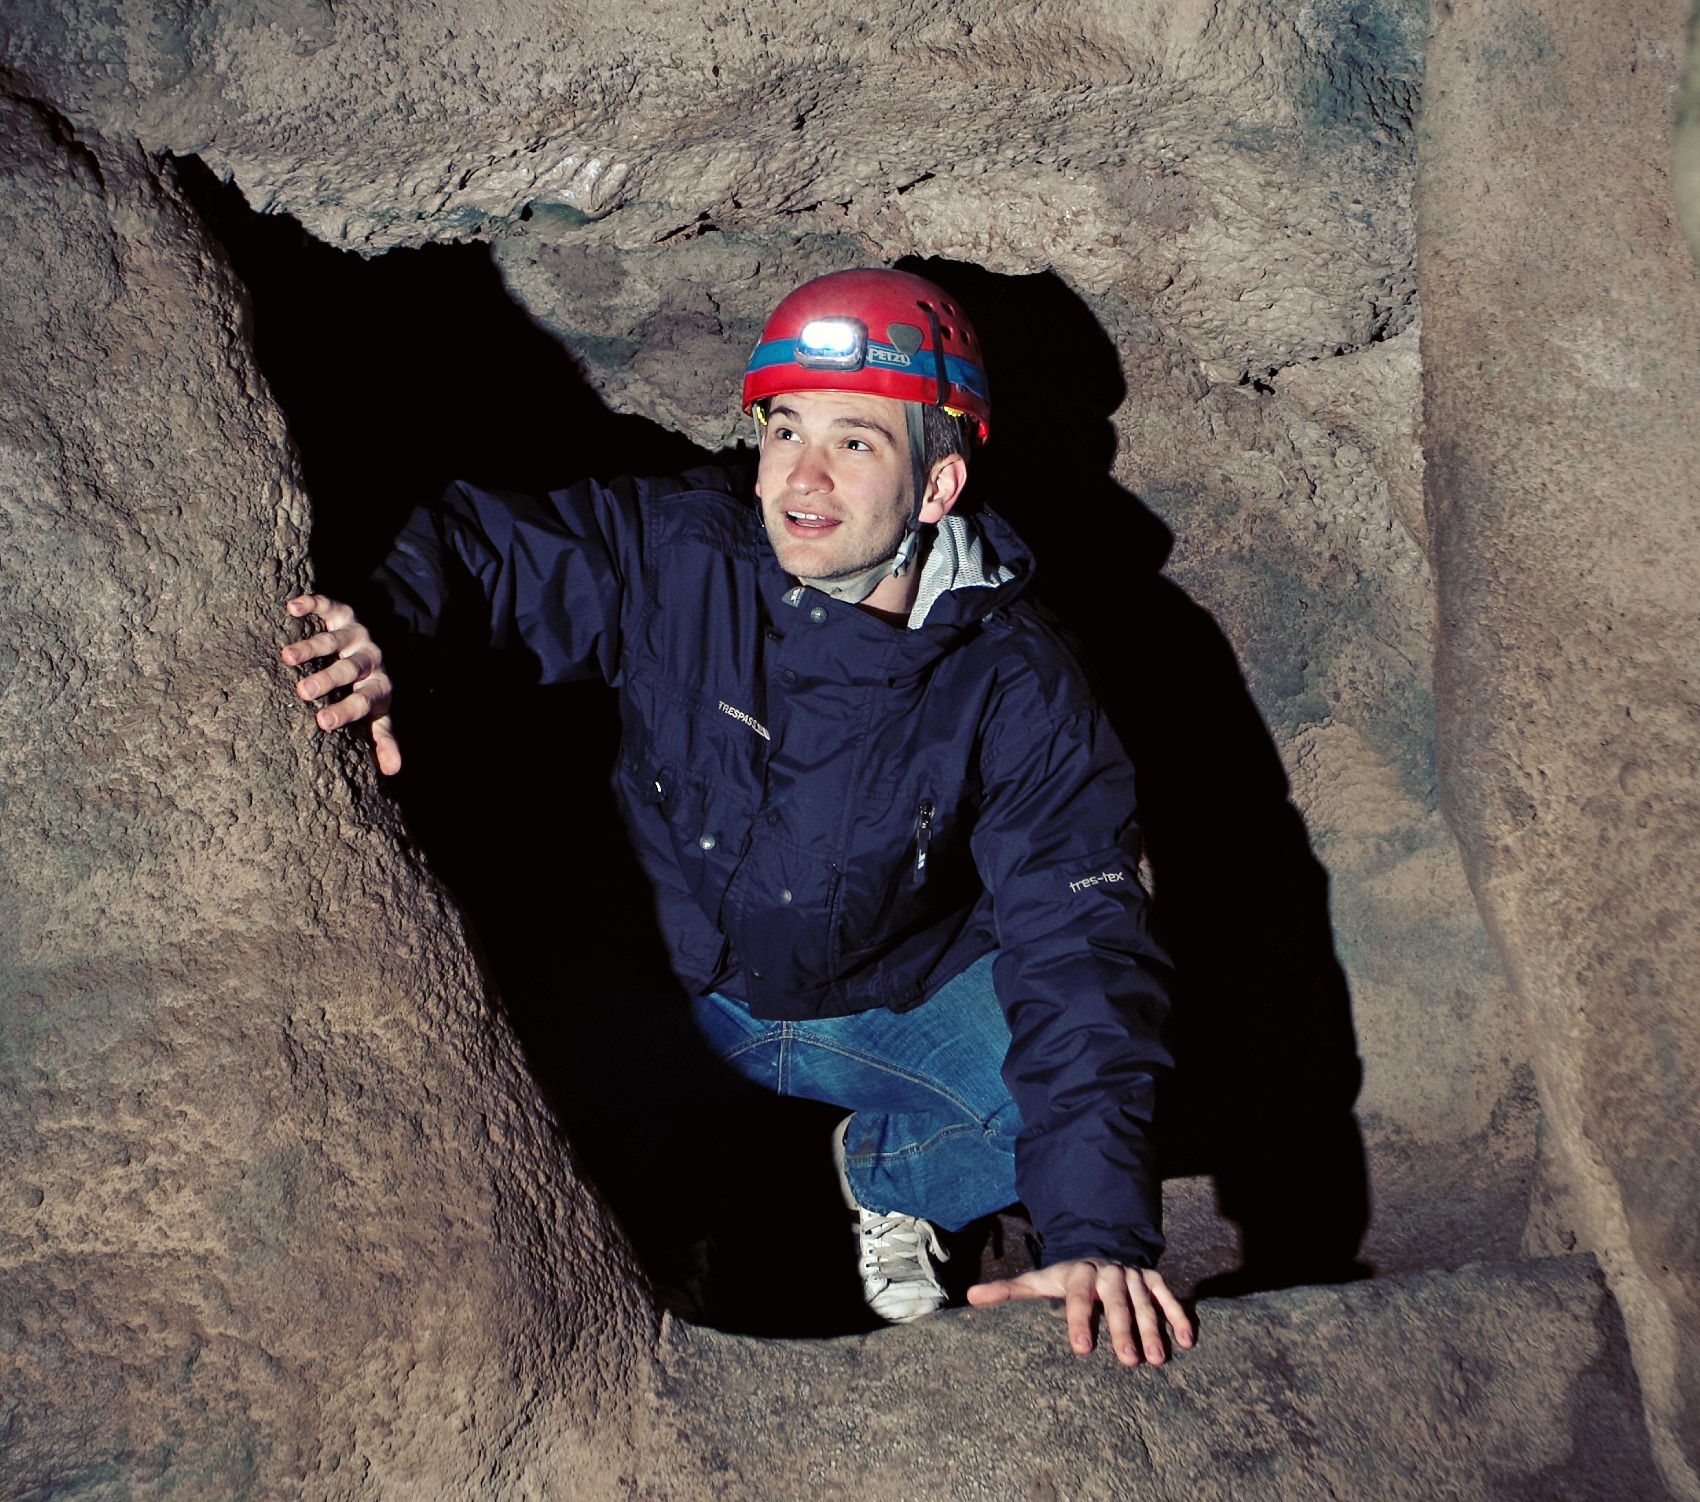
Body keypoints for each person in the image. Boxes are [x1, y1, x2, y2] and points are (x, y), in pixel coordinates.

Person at [279, 268, 1194, 1366]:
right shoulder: (681, 551)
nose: (801, 477)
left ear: (937, 484)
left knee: (1062, 1113)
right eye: (783, 428)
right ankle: (685, 1219)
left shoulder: (1018, 681)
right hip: (674, 989)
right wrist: (386, 623)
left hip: (883, 999)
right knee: (501, 1127)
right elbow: (494, 552)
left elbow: (1078, 944)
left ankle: (890, 1175)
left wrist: (1098, 1232)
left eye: (856, 441)